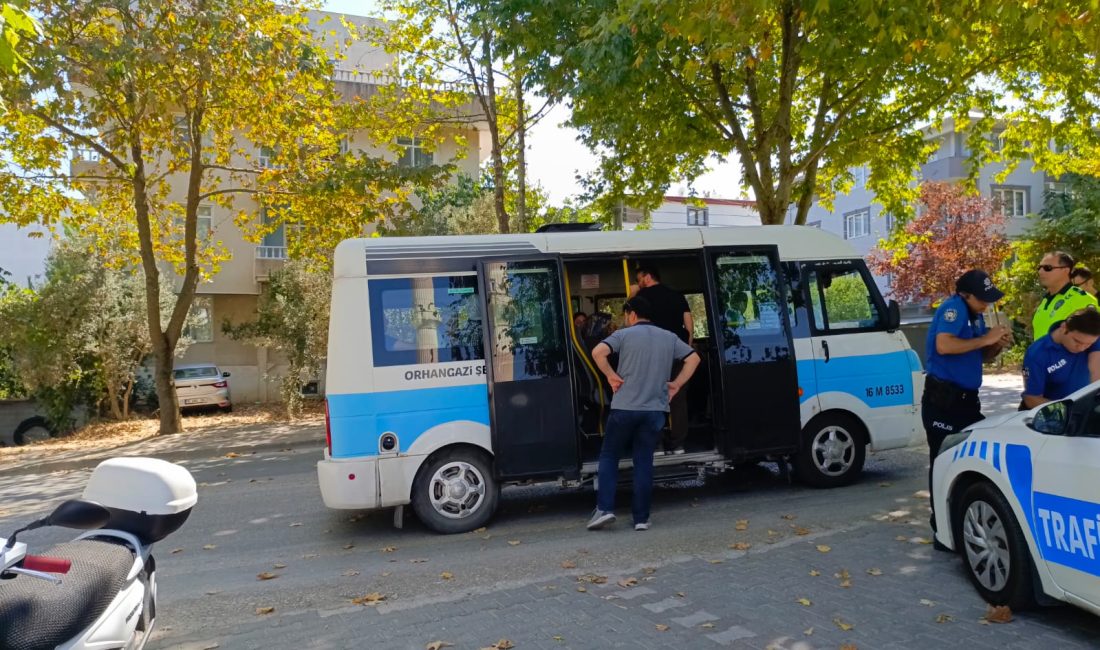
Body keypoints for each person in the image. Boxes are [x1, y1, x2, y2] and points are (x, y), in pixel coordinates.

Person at [587, 296, 700, 532]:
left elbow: (598, 352)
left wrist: (610, 375)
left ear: (632, 314)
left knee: (609, 456)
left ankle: (605, 509)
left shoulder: (624, 335)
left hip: (625, 408)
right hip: (654, 411)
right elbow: (694, 358)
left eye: (625, 315)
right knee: (643, 461)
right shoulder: (669, 337)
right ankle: (641, 518)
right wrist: (677, 384)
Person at [922, 270, 1011, 542]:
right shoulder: (953, 309)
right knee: (943, 461)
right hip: (944, 402)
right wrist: (986, 338)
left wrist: (996, 346)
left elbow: (977, 353)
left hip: (966, 401)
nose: (987, 304)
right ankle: (941, 529)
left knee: (970, 461)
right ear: (965, 294)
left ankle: (961, 523)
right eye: (982, 298)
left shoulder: (974, 314)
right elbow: (945, 345)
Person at [632, 265, 693, 454]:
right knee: (678, 399)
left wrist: (632, 294)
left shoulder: (641, 298)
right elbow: (689, 325)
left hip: (652, 353)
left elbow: (631, 323)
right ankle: (678, 444)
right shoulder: (677, 295)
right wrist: (687, 348)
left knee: (652, 397)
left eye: (639, 279)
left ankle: (656, 444)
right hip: (678, 351)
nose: (638, 282)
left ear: (647, 277)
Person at [1021, 309, 1100, 408]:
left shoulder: (1092, 334)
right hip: (1057, 415)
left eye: (1089, 344)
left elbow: (1096, 372)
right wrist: (1068, 411)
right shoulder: (1037, 354)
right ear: (1064, 327)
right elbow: (1031, 399)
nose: (1081, 348)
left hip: (1088, 411)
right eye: (1077, 341)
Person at [1033, 251, 1097, 340]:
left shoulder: (1082, 299)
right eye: (1039, 268)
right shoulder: (1045, 300)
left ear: (1066, 270)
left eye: (1047, 268)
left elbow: (1095, 343)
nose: (1040, 272)